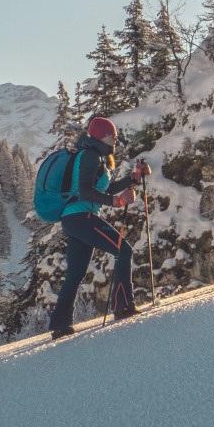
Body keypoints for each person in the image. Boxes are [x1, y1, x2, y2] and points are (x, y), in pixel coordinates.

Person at [48, 115, 149, 338]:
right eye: (112, 135)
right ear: (102, 136)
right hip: (81, 217)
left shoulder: (95, 157)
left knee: (75, 273)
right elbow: (86, 192)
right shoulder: (91, 156)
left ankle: (60, 325)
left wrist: (132, 179)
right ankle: (123, 306)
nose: (115, 139)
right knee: (124, 250)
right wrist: (116, 201)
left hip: (74, 219)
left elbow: (105, 188)